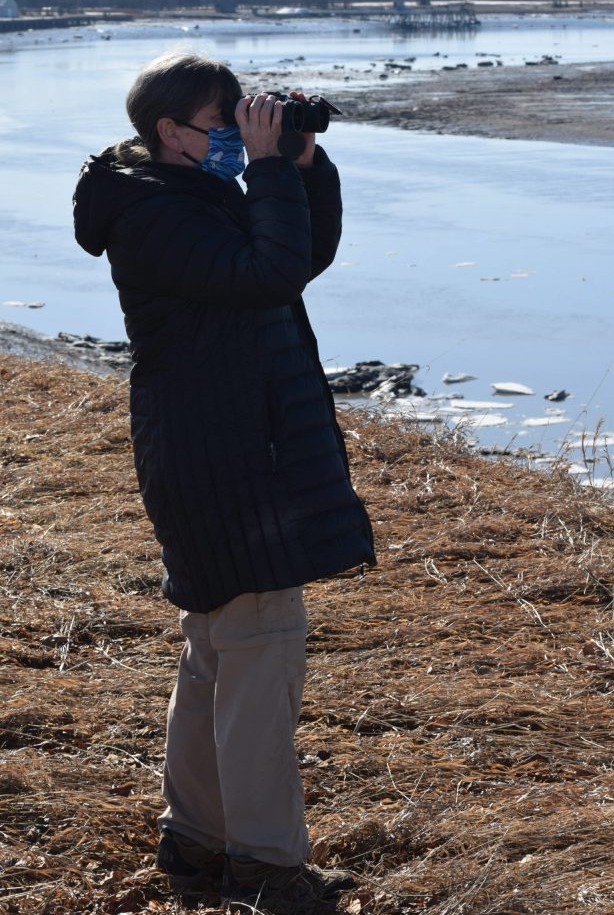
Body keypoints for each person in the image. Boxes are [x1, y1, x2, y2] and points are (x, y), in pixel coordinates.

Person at [73, 53, 376, 909]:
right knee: (261, 654)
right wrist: (271, 169)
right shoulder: (156, 217)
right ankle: (268, 866)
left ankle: (198, 843)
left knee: (216, 654)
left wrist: (301, 167)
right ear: (169, 132)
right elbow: (266, 274)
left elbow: (297, 258)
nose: (236, 140)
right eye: (223, 124)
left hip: (218, 455)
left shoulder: (175, 197)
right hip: (230, 467)